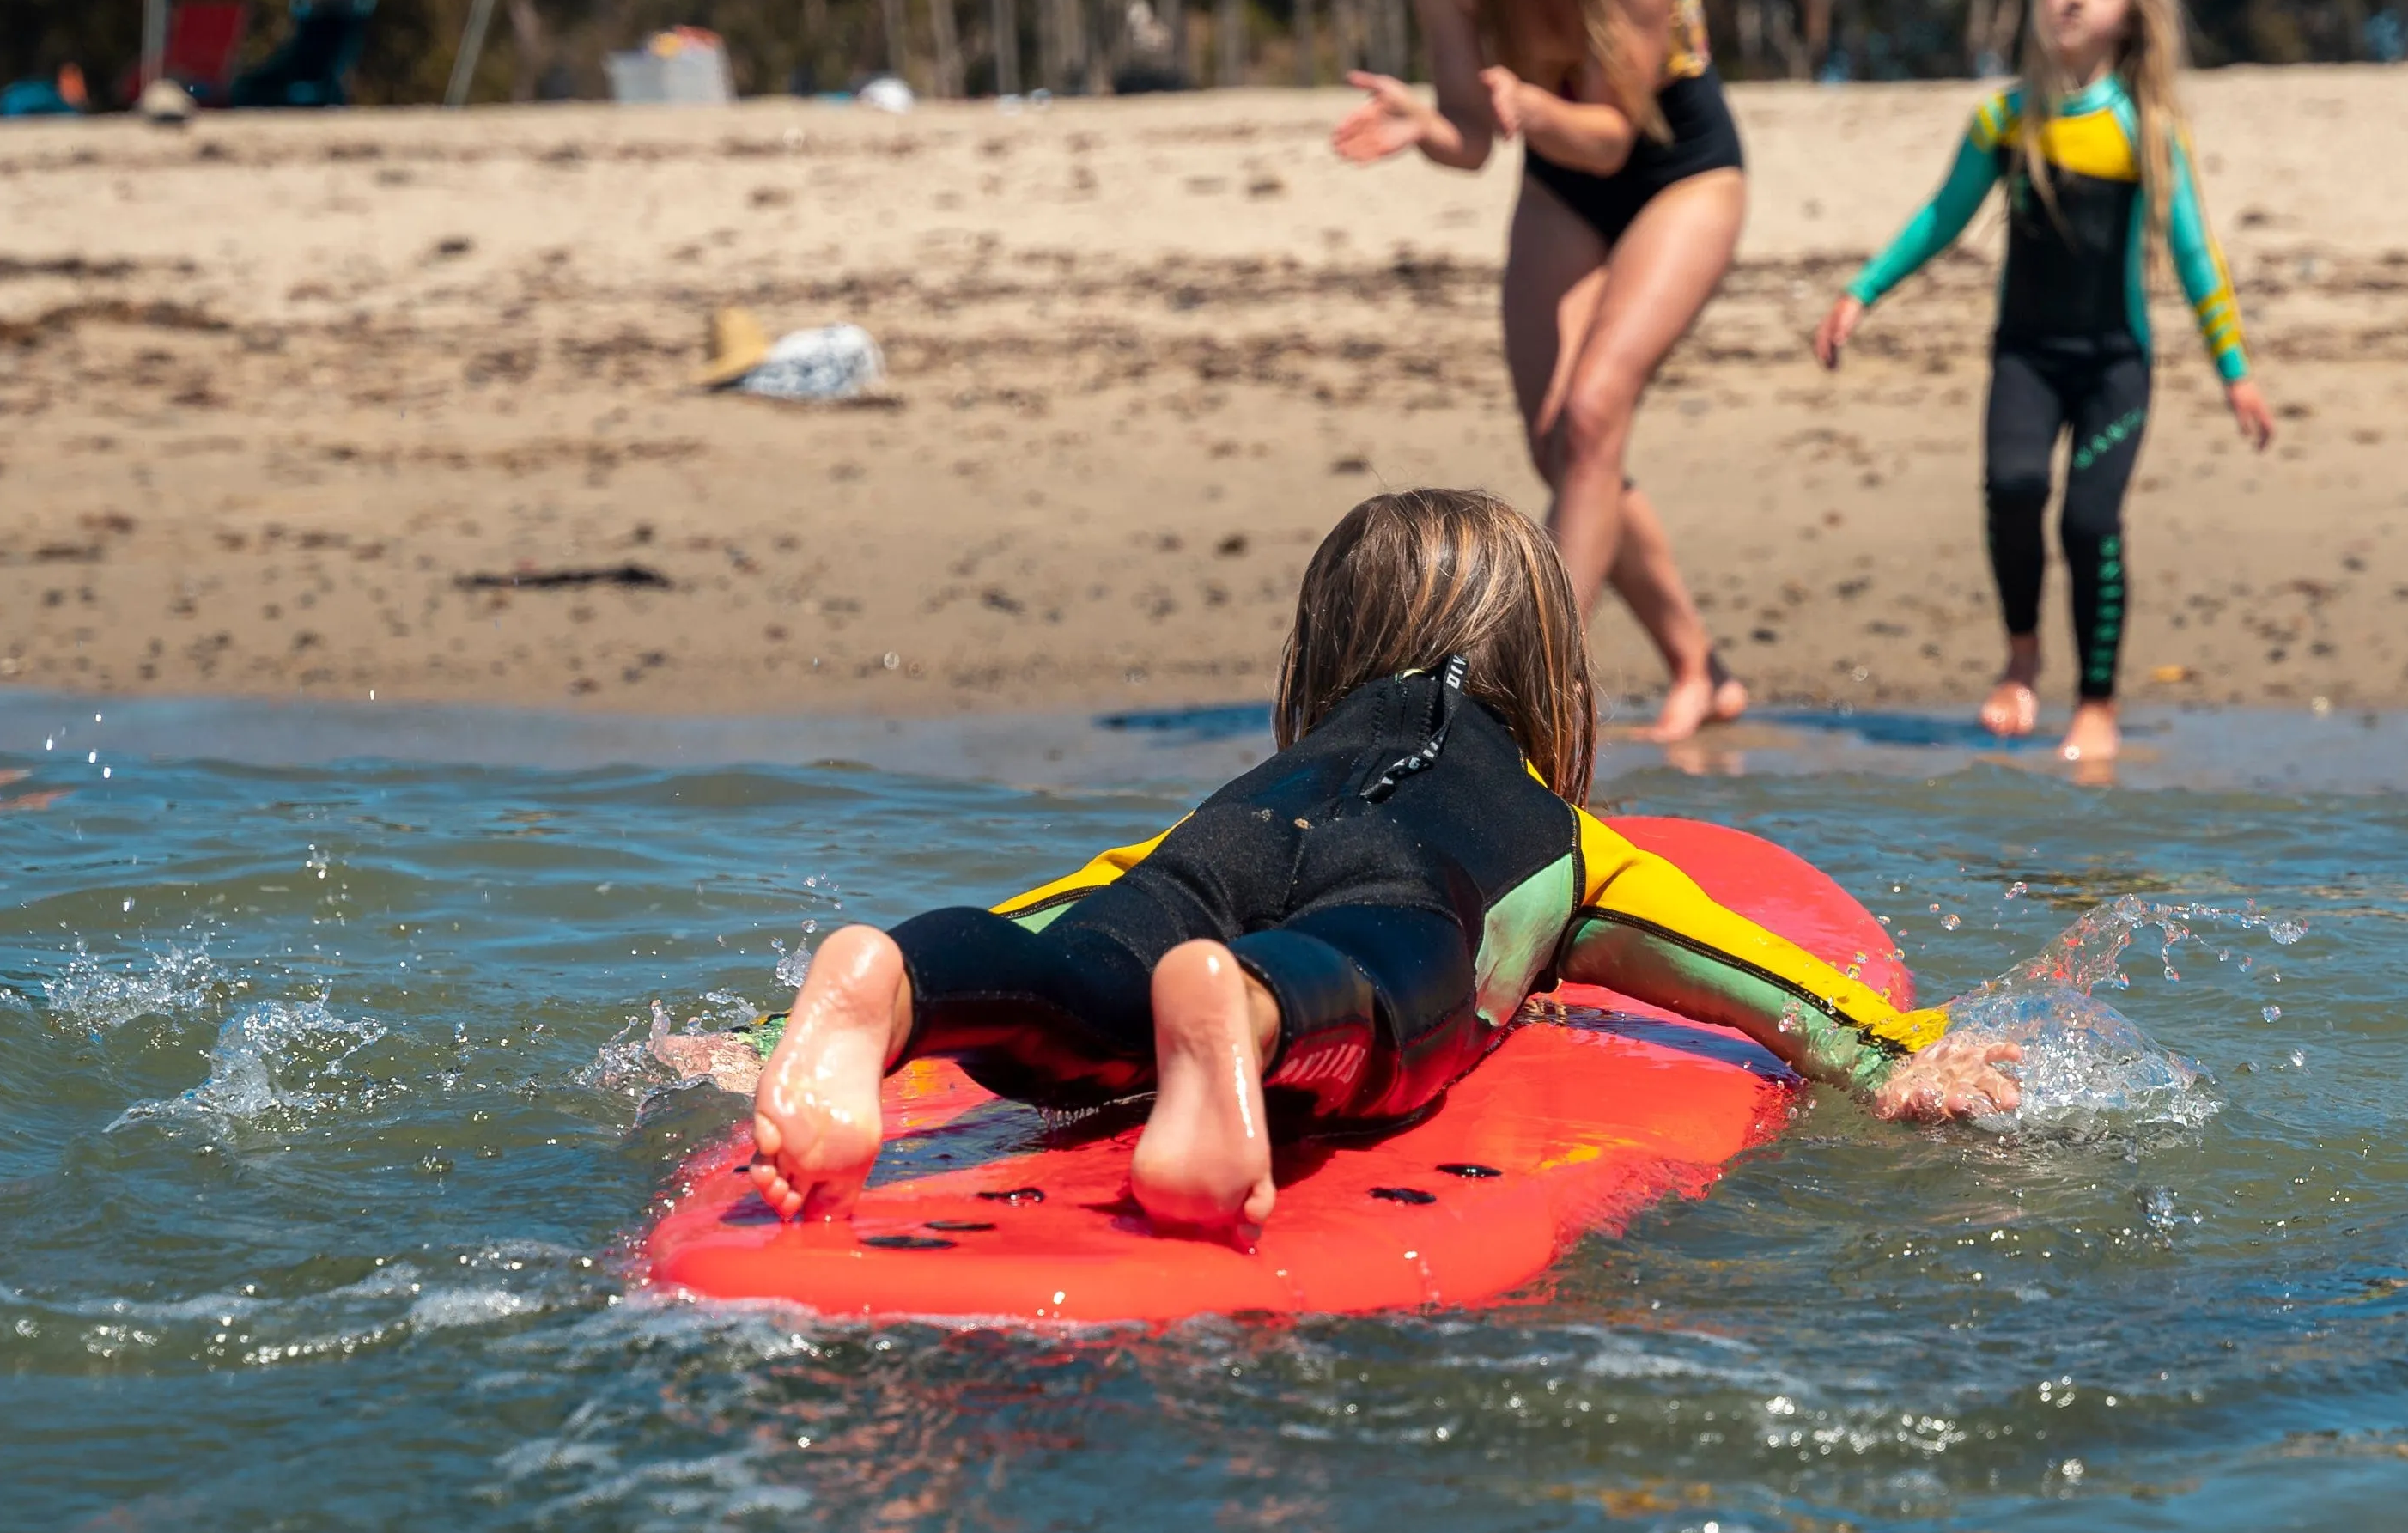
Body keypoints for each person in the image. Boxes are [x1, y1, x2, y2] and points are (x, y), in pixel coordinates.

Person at [722, 490, 2022, 1247]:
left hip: (1210, 853)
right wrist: (1888, 1055)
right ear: (1555, 684)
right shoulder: (1566, 841)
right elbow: (1739, 970)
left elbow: (1061, 899)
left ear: (1319, 660)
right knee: (1382, 980)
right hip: (1399, 891)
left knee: (1081, 971)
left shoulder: (1272, 779)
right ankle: (1246, 1013)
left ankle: (889, 990)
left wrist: (770, 1034)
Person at [1332, 0, 1749, 742]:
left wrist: (1523, 104)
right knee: (1564, 443)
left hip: (1676, 167)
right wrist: (1431, 124)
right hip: (1561, 176)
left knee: (1595, 412)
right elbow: (1480, 140)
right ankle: (1701, 665)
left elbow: (1612, 134)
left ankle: (1537, 704)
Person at [1812, 0, 2278, 767]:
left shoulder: (2146, 128)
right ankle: (2022, 652)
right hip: (2026, 355)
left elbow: (2193, 252)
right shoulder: (2005, 120)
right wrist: (1862, 292)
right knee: (2014, 486)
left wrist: (2235, 371)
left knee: (2092, 521)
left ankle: (2096, 702)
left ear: (2132, 14)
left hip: (2114, 366)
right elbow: (1941, 218)